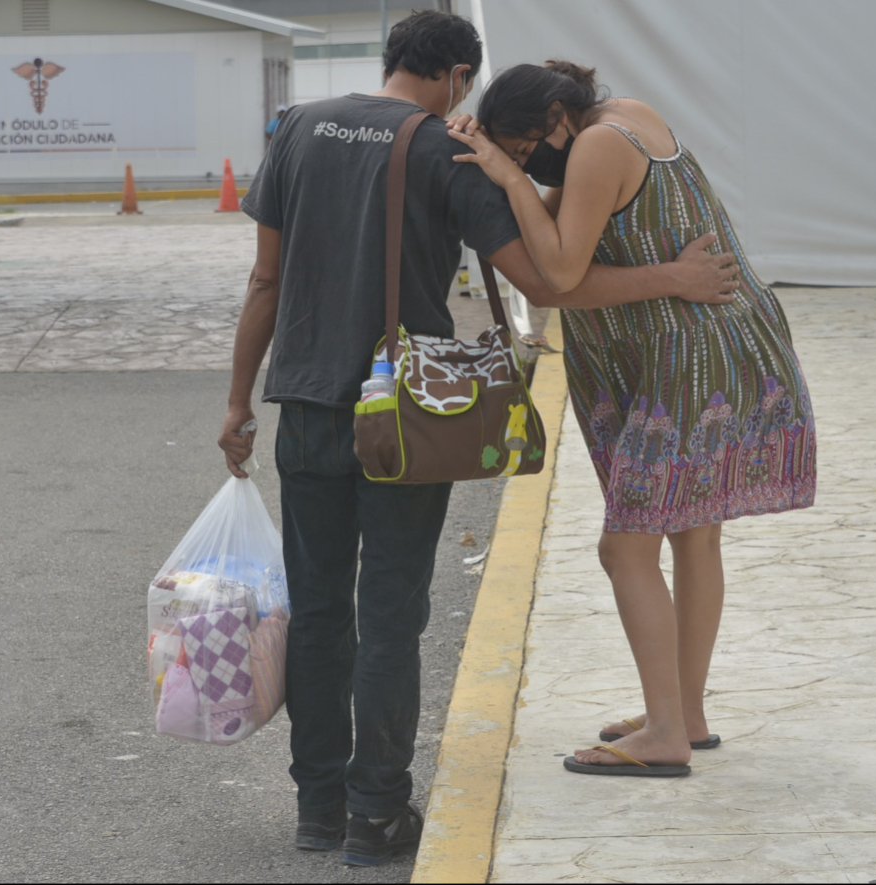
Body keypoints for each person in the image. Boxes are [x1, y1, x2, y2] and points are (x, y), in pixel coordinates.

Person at [217, 13, 740, 866]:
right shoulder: (441, 150)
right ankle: (375, 815)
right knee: (388, 612)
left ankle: (316, 809)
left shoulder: (298, 129)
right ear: (457, 75)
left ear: (391, 61)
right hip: (406, 416)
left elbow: (265, 279)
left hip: (304, 405)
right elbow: (548, 281)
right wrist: (672, 278)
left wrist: (237, 401)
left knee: (316, 612)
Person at [449, 61, 817, 777]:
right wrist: (514, 167)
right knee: (692, 533)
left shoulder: (596, 145)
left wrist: (510, 178)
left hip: (687, 357)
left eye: (529, 146)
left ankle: (664, 735)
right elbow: (573, 232)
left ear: (558, 116)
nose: (529, 161)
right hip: (718, 343)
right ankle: (683, 711)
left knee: (626, 548)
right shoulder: (627, 115)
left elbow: (556, 271)